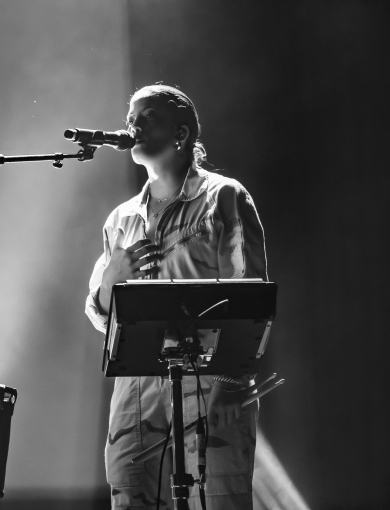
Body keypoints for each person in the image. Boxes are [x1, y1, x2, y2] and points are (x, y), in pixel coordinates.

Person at [85, 84, 267, 510]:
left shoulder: (224, 197)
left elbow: (249, 300)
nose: (133, 125)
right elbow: (99, 316)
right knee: (131, 495)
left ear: (181, 133)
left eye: (147, 116)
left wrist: (227, 383)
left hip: (210, 376)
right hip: (137, 385)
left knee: (216, 498)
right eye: (131, 117)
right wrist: (112, 278)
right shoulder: (121, 219)